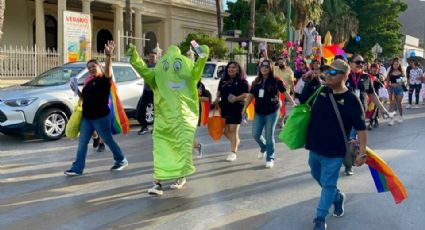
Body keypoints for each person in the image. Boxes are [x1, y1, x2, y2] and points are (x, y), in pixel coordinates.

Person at [128, 43, 209, 196]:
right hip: (167, 119)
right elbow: (198, 67)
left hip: (179, 119)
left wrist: (134, 57)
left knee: (174, 149)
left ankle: (178, 176)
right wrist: (203, 55)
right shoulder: (176, 70)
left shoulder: (165, 70)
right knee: (164, 149)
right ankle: (158, 181)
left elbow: (144, 70)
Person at [299, 59, 367, 230]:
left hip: (336, 150)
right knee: (317, 176)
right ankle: (337, 197)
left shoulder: (351, 100)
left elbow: (361, 128)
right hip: (315, 146)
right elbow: (302, 100)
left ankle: (320, 218)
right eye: (328, 71)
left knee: (328, 183)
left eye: (333, 72)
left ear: (344, 76)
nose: (328, 75)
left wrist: (362, 153)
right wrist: (308, 80)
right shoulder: (321, 90)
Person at [65, 41, 128, 176]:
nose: (91, 69)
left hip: (100, 117)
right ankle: (77, 168)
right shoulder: (89, 82)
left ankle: (121, 160)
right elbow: (84, 99)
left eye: (93, 66)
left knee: (108, 140)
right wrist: (76, 90)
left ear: (99, 67)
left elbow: (108, 70)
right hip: (87, 118)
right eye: (89, 68)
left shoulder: (104, 80)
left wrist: (108, 56)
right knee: (82, 143)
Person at [242, 59, 295, 168]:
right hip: (259, 112)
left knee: (269, 135)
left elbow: (285, 93)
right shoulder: (256, 81)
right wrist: (244, 108)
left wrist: (293, 104)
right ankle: (264, 147)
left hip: (272, 111)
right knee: (255, 134)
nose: (264, 68)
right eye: (262, 66)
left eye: (266, 66)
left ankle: (270, 157)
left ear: (270, 68)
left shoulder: (276, 81)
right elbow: (251, 95)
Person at [345, 54, 391, 175]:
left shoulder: (365, 78)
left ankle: (349, 165)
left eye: (362, 62)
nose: (360, 64)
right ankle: (342, 160)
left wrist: (382, 109)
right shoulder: (344, 76)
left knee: (352, 140)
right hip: (344, 114)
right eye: (357, 62)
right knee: (345, 139)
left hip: (359, 114)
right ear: (350, 63)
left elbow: (372, 94)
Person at [213, 61, 249, 162]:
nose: (231, 69)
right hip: (224, 107)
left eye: (233, 67)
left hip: (237, 107)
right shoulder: (223, 79)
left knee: (233, 130)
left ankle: (233, 152)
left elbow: (247, 94)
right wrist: (217, 98)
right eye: (229, 67)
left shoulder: (242, 81)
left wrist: (236, 98)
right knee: (224, 131)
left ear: (238, 69)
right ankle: (236, 142)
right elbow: (219, 90)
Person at [136, 51, 157, 135]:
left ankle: (156, 128)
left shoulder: (159, 66)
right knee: (139, 112)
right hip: (146, 91)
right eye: (150, 57)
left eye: (153, 57)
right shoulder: (146, 66)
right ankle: (144, 126)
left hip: (155, 92)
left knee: (158, 112)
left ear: (156, 58)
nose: (151, 58)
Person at [274, 57, 295, 126]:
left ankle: (281, 121)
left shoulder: (290, 71)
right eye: (279, 63)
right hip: (275, 93)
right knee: (276, 107)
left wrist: (293, 94)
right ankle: (277, 119)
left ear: (285, 63)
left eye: (282, 62)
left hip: (285, 93)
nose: (280, 64)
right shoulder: (275, 68)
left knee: (283, 108)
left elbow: (292, 83)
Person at [193, 80, 211, 157]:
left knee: (188, 133)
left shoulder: (200, 85)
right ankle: (196, 146)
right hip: (182, 110)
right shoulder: (183, 82)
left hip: (194, 112)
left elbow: (206, 99)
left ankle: (197, 146)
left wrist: (193, 98)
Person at [386, 58, 405, 125]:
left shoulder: (401, 72)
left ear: (399, 65)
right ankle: (391, 120)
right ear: (392, 65)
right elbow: (387, 82)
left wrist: (401, 82)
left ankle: (401, 116)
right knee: (392, 104)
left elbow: (403, 81)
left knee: (399, 103)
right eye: (394, 64)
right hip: (392, 89)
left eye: (397, 64)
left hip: (399, 89)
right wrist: (389, 87)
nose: (396, 65)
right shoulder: (390, 73)